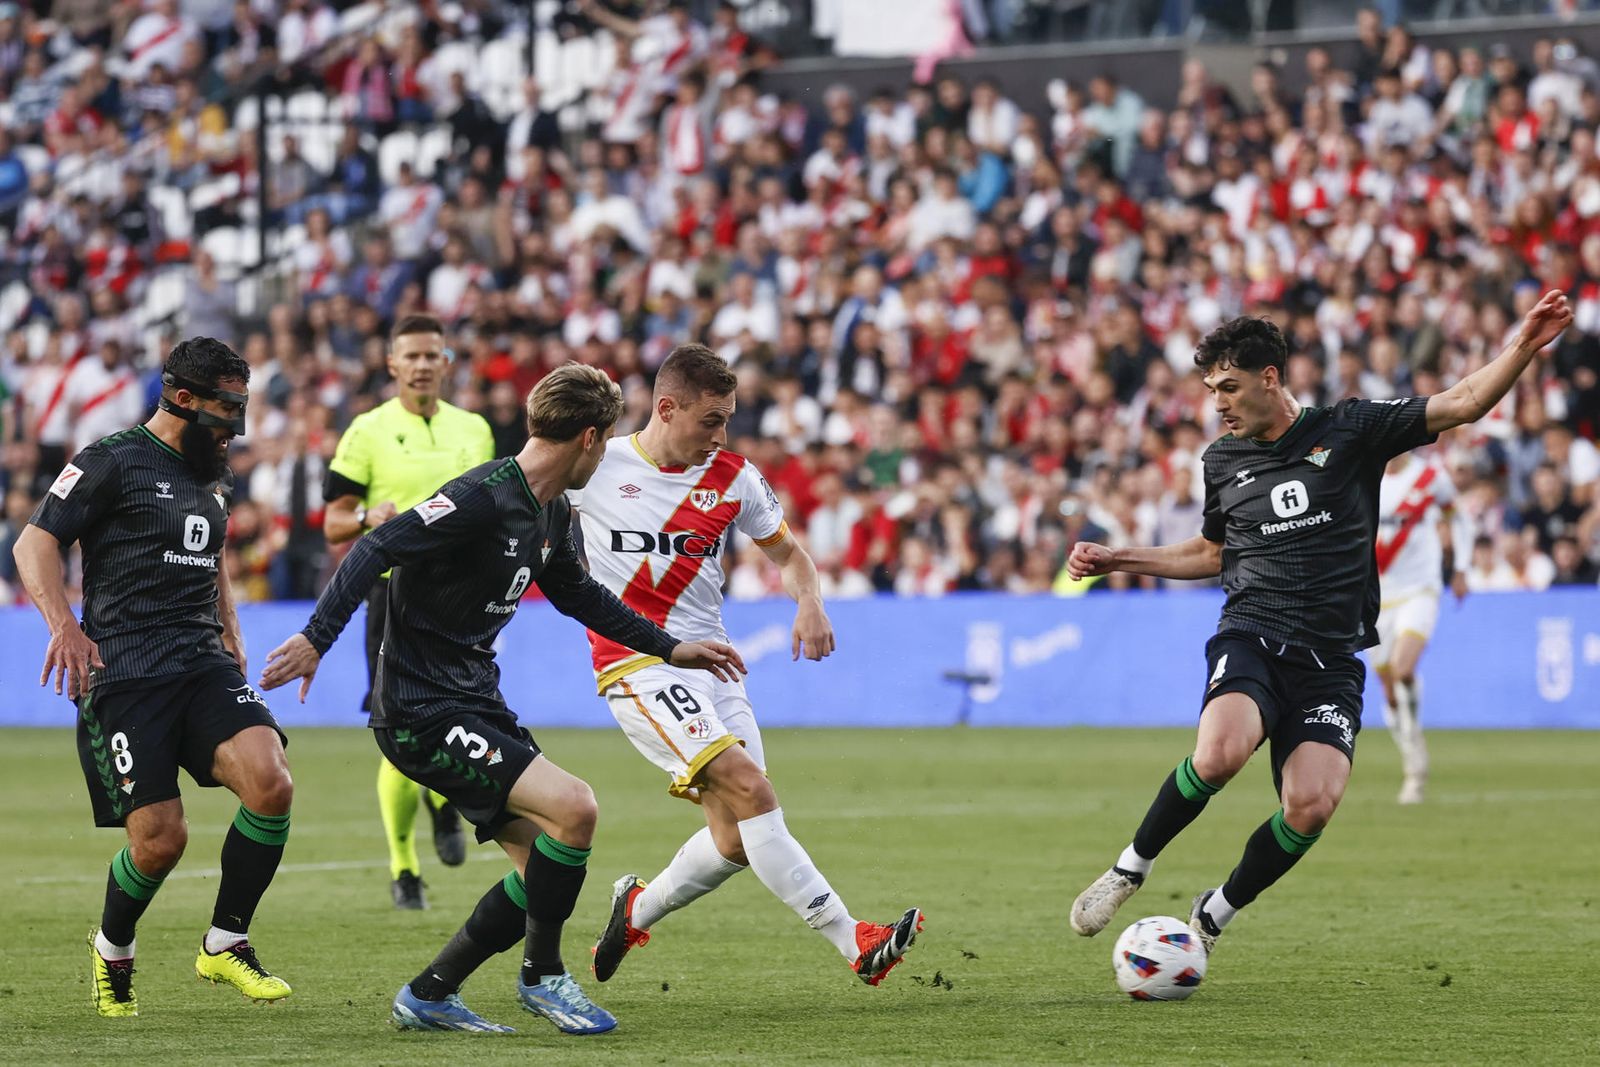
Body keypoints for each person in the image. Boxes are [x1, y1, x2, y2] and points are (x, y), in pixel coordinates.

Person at [1064, 291, 1572, 956]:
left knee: (1312, 806)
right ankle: (1130, 866)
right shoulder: (1222, 459)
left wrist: (1524, 346)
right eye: (1211, 388)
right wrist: (1120, 557)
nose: (1218, 402)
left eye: (1229, 386)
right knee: (1218, 754)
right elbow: (1214, 552)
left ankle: (1215, 912)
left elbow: (1462, 401)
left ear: (1269, 378)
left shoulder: (1353, 430)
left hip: (1331, 658)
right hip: (1252, 631)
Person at [258, 364, 746, 1034]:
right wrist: (318, 638)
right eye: (604, 444)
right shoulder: (481, 498)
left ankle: (430, 992)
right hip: (419, 710)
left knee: (542, 862)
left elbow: (580, 596)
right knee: (575, 807)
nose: (603, 455)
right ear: (589, 436)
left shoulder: (551, 512)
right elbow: (374, 546)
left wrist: (669, 647)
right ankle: (543, 977)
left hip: (475, 700)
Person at [577, 344, 922, 989]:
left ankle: (635, 910)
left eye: (729, 419)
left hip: (715, 664)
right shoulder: (597, 466)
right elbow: (518, 496)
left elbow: (790, 556)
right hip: (637, 664)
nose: (722, 435)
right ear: (665, 407)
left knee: (737, 838)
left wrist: (810, 602)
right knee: (754, 792)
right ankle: (855, 941)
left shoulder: (734, 477)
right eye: (711, 420)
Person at [13, 337, 295, 1018]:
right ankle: (112, 944)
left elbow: (214, 551)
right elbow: (35, 542)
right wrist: (62, 623)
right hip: (124, 671)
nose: (237, 424)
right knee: (162, 839)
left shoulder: (214, 469)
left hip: (199, 658)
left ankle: (226, 940)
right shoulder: (112, 460)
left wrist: (229, 623)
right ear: (183, 398)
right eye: (227, 408)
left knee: (271, 780)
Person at [322, 313, 496, 910]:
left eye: (432, 355)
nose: (422, 365)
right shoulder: (367, 431)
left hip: (464, 599)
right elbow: (332, 523)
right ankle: (404, 869)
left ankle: (444, 802)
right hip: (393, 593)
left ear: (447, 363)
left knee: (463, 714)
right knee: (394, 727)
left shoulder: (475, 431)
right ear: (392, 365)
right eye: (411, 356)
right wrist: (368, 518)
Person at [1371, 450, 1466, 805]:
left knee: (1403, 668)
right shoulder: (1363, 474)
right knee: (1389, 690)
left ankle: (1415, 769)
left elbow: (1459, 519)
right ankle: (1411, 751)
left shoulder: (1429, 478)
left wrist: (1461, 567)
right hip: (1377, 596)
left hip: (1420, 589)